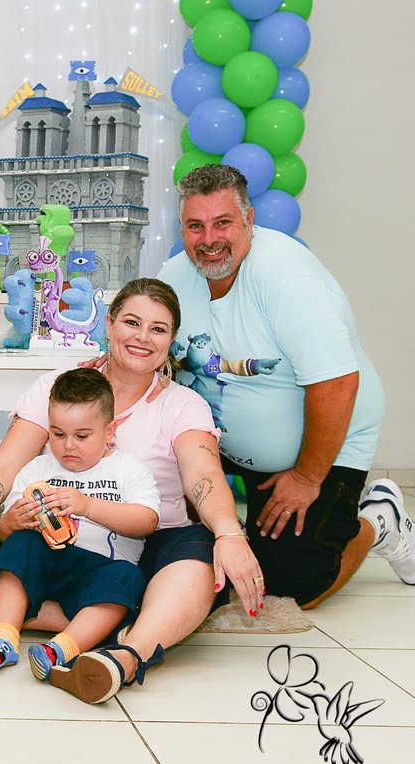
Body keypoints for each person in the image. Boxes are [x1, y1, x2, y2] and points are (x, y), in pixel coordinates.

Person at [0, 277, 262, 704]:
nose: (142, 337)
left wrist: (229, 533)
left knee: (203, 560)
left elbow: (203, 474)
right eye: (131, 322)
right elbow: (5, 467)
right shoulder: (60, 387)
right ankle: (118, 617)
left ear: (171, 340)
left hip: (147, 545)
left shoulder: (183, 404)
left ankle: (126, 655)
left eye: (157, 329)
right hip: (51, 544)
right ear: (109, 324)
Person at [159, 164, 390, 604]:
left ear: (249, 220)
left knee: (291, 584)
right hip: (223, 444)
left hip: (323, 446)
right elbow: (148, 352)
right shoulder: (173, 276)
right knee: (167, 533)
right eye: (195, 226)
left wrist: (306, 477)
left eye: (223, 222)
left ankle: (378, 519)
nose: (209, 239)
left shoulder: (288, 278)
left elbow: (338, 382)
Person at [0, 369, 159, 684]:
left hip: (101, 569)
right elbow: (2, 534)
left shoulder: (127, 468)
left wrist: (89, 506)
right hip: (47, 563)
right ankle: (1, 641)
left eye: (82, 436)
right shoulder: (37, 469)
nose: (68, 446)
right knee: (20, 545)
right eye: (58, 434)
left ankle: (59, 650)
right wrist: (11, 523)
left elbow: (147, 521)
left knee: (128, 578)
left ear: (109, 431)